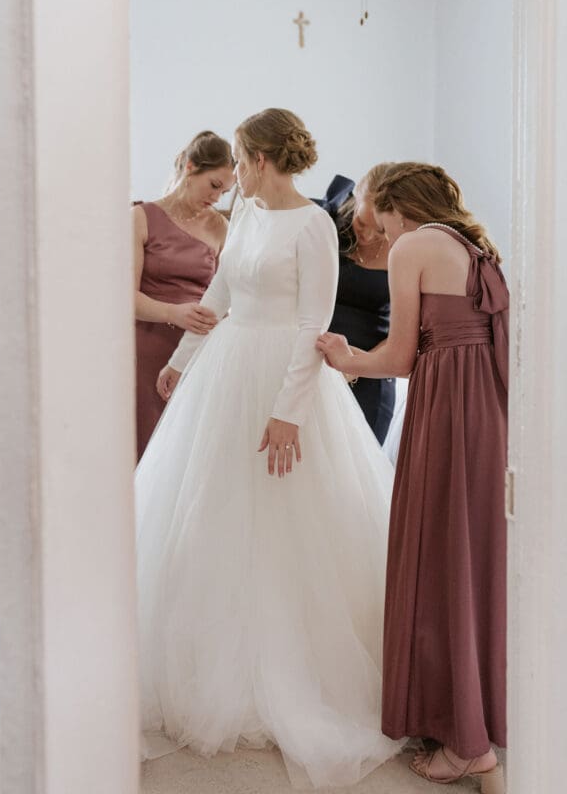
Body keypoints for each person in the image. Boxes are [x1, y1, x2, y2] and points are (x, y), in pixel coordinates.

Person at [136, 108, 402, 789]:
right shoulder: (249, 217)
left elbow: (314, 320)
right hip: (226, 370)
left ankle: (296, 669)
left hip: (285, 373)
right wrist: (185, 358)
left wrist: (288, 413)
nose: (233, 185)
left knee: (287, 521)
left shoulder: (313, 223)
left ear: (258, 159)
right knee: (212, 513)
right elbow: (220, 291)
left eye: (240, 167)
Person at [317, 162, 508, 794]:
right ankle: (468, 719)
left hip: (449, 408)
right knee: (471, 558)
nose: (362, 211)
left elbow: (398, 358)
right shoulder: (470, 244)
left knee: (435, 554)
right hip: (486, 410)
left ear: (390, 201)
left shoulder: (413, 246)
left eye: (368, 199)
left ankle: (466, 746)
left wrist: (346, 358)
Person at [133, 130, 235, 460]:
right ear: (191, 167)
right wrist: (172, 313)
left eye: (226, 191)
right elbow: (124, 297)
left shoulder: (221, 227)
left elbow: (225, 293)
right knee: (145, 442)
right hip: (146, 345)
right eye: (215, 185)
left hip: (198, 349)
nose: (218, 198)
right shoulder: (140, 218)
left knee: (187, 453)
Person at [318, 165, 396, 443]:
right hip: (315, 363)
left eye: (380, 230)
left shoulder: (405, 249)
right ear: (356, 198)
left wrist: (356, 364)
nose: (368, 236)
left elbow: (409, 332)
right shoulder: (327, 223)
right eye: (362, 223)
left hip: (370, 372)